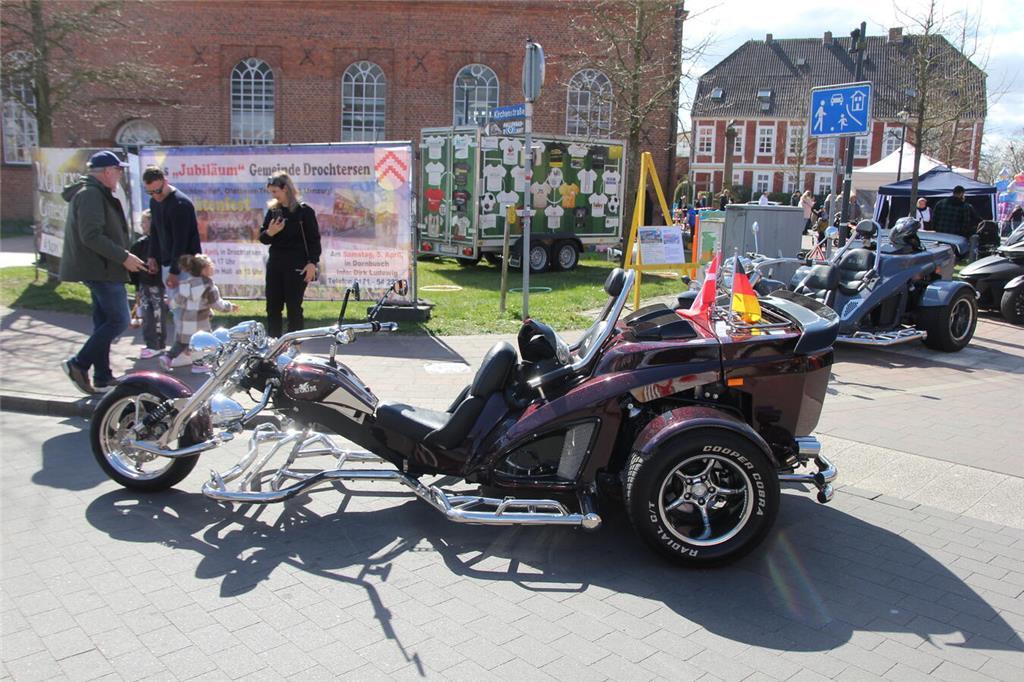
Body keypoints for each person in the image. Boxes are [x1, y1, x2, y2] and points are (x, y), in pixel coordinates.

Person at [59, 150, 147, 394]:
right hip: (102, 270)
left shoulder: (93, 192)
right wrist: (124, 257)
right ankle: (78, 363)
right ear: (107, 171)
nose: (119, 174)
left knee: (104, 322)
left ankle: (102, 375)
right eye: (118, 170)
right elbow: (91, 236)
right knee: (119, 320)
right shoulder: (90, 194)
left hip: (102, 268)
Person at [142, 165, 201, 343]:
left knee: (188, 311)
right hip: (169, 264)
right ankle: (183, 347)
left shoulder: (180, 204)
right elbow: (155, 230)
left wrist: (175, 272)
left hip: (186, 267)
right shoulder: (155, 202)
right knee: (177, 310)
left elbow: (180, 242)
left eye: (158, 191)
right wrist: (152, 256)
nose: (155, 196)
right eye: (150, 192)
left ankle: (192, 350)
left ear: (166, 182)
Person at [259, 171, 321, 337]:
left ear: (285, 189)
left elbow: (314, 240)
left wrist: (312, 263)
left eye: (275, 191)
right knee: (273, 306)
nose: (273, 195)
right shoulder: (273, 211)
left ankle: (295, 344)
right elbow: (263, 238)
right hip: (275, 265)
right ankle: (273, 344)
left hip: (297, 266)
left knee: (293, 307)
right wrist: (271, 232)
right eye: (271, 192)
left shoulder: (304, 211)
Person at [159, 254, 238, 371]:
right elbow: (217, 304)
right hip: (200, 320)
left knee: (182, 342)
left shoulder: (187, 282)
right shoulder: (209, 286)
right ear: (204, 269)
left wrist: (170, 303)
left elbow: (179, 300)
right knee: (204, 341)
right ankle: (199, 365)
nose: (213, 268)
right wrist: (230, 307)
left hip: (185, 318)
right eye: (211, 265)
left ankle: (167, 358)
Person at [128, 209, 169, 358]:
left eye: (145, 222)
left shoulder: (162, 243)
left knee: (158, 315)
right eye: (142, 222)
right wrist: (137, 287)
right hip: (144, 284)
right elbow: (133, 268)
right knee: (147, 314)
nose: (142, 225)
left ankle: (157, 345)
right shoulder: (140, 244)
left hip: (159, 285)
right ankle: (152, 343)